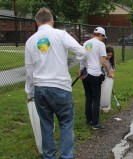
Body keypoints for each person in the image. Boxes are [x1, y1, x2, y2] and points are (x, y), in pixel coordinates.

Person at [25, 7, 87, 159]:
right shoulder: (60, 34)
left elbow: (29, 69)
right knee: (66, 124)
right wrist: (82, 67)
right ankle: (66, 156)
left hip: (40, 89)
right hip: (61, 88)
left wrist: (30, 91)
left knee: (46, 125)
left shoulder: (31, 41)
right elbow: (82, 52)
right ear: (52, 21)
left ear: (36, 22)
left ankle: (49, 156)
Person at [80, 27, 113, 130]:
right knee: (96, 99)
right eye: (103, 37)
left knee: (88, 98)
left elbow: (82, 58)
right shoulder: (100, 44)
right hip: (95, 74)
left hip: (85, 73)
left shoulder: (86, 43)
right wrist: (109, 72)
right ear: (100, 35)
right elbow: (103, 61)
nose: (103, 39)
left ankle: (88, 120)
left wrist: (81, 71)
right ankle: (95, 123)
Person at [100, 45, 116, 112]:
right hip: (100, 78)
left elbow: (112, 72)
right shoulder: (101, 60)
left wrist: (111, 75)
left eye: (110, 55)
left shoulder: (112, 61)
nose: (108, 57)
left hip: (108, 79)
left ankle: (106, 107)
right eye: (107, 55)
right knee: (100, 93)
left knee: (107, 93)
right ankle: (99, 106)